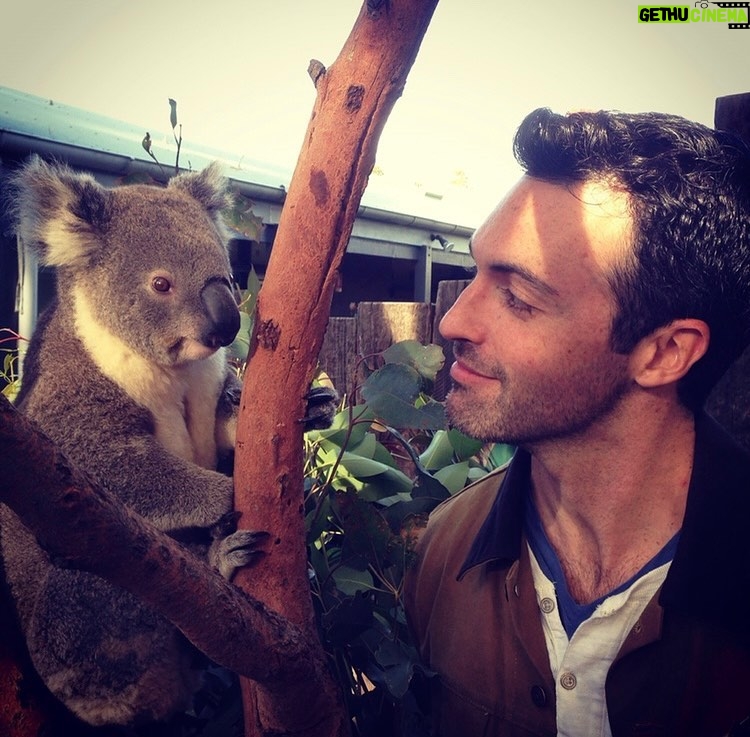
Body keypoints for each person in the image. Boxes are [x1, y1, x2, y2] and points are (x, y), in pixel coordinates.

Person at [403, 107, 750, 737]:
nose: (453, 322)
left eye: (520, 298)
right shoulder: (447, 554)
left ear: (665, 352)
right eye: (476, 272)